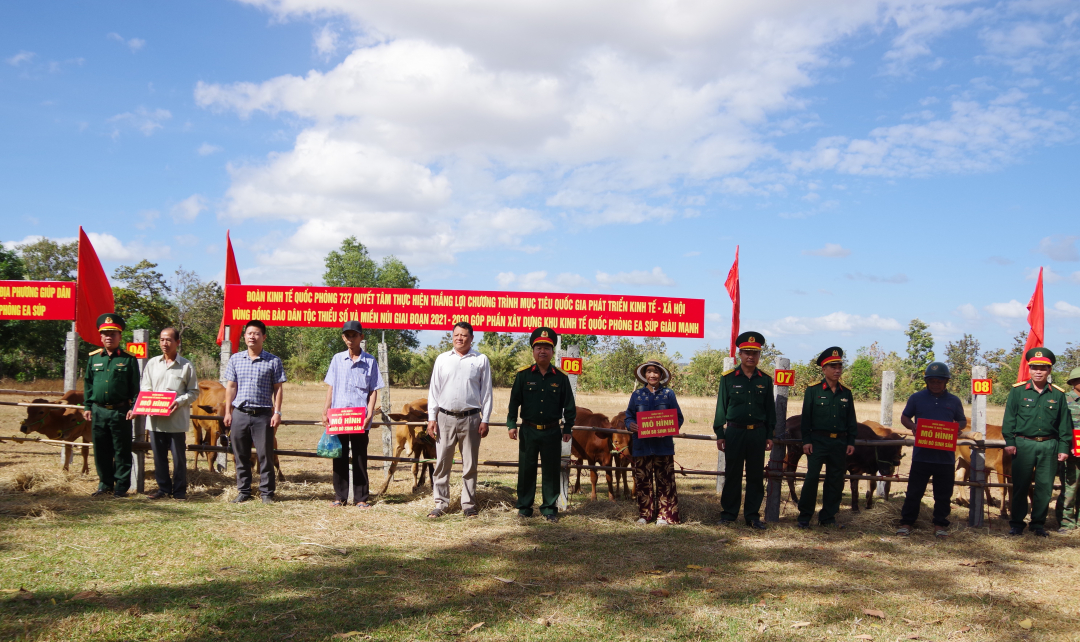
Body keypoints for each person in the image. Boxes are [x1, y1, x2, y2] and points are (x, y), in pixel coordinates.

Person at [507, 327, 576, 522]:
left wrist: (568, 427)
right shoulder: (523, 375)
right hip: (528, 430)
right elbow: (514, 402)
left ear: (552, 351)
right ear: (533, 351)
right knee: (526, 470)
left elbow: (569, 405)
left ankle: (549, 508)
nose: (542, 351)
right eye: (538, 347)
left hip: (552, 431)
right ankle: (524, 507)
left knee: (551, 471)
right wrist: (511, 423)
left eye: (547, 347)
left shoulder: (561, 378)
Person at [426, 321, 493, 519]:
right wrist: (432, 417)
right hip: (445, 418)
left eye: (464, 335)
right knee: (442, 463)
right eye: (456, 334)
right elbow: (434, 390)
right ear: (452, 336)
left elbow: (486, 392)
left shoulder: (481, 360)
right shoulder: (442, 359)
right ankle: (440, 503)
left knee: (470, 464)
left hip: (471, 418)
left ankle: (468, 505)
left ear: (471, 338)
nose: (459, 338)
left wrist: (486, 418)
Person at [1002, 348, 1072, 537]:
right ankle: (1017, 523)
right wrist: (1010, 441)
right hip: (1024, 444)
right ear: (1029, 369)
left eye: (1043, 368)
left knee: (1044, 487)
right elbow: (1009, 418)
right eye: (1034, 368)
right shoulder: (1017, 391)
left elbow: (1065, 423)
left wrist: (1064, 446)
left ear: (1049, 371)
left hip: (1049, 445)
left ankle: (1038, 524)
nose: (1038, 371)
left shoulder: (1057, 394)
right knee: (1020, 485)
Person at [895, 362, 967, 537]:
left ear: (946, 382)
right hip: (922, 455)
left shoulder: (954, 400)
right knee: (914, 491)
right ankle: (906, 523)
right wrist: (913, 426)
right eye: (932, 381)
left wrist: (957, 428)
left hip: (946, 457)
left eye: (939, 381)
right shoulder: (916, 398)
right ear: (927, 381)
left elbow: (962, 420)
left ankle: (940, 525)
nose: (936, 384)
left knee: (943, 494)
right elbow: (904, 417)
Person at [713, 331, 775, 530]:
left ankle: (752, 516)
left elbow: (770, 410)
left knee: (756, 476)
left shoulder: (765, 380)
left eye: (755, 353)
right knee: (732, 475)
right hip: (734, 432)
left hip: (757, 432)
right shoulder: (729, 378)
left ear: (759, 356)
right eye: (747, 352)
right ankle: (729, 514)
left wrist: (769, 435)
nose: (751, 356)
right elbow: (721, 407)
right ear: (740, 354)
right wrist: (720, 434)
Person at [223, 320, 286, 504]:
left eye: (256, 333)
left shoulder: (273, 360)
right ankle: (243, 491)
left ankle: (267, 493)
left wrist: (278, 412)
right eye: (249, 333)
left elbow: (278, 389)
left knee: (265, 454)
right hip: (240, 413)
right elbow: (231, 387)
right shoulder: (235, 359)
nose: (252, 336)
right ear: (244, 337)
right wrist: (228, 412)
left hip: (263, 414)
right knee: (240, 454)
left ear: (263, 337)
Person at [322, 320, 384, 509]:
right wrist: (325, 410)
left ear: (361, 337)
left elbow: (373, 390)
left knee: (359, 457)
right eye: (347, 335)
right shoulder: (337, 359)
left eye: (354, 335)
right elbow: (331, 387)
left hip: (359, 417)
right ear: (343, 337)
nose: (350, 339)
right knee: (339, 456)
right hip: (339, 416)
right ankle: (339, 497)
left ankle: (361, 498)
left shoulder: (370, 361)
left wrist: (369, 414)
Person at [796, 347, 857, 529]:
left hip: (839, 442)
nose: (837, 370)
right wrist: (806, 440)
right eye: (833, 366)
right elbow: (806, 418)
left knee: (835, 480)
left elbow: (851, 419)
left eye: (839, 366)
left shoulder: (846, 392)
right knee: (812, 478)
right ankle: (805, 517)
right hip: (817, 441)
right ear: (824, 369)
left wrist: (851, 441)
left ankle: (828, 517)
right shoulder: (813, 390)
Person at [82, 314, 141, 498]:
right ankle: (104, 485)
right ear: (101, 337)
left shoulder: (129, 359)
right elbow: (88, 384)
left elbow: (136, 388)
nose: (109, 337)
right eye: (105, 334)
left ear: (120, 336)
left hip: (120, 411)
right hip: (99, 411)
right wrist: (87, 407)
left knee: (122, 449)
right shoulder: (93, 358)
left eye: (113, 334)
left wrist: (134, 407)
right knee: (101, 450)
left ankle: (121, 487)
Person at [142, 327, 199, 500]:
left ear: (177, 343)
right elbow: (145, 387)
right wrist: (151, 401)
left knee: (178, 458)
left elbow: (193, 392)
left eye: (168, 340)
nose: (164, 343)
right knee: (159, 458)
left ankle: (180, 491)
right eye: (161, 340)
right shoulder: (152, 364)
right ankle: (163, 489)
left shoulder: (186, 365)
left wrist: (179, 400)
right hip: (155, 420)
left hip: (176, 421)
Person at [625, 360, 684, 525]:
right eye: (649, 372)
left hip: (662, 446)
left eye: (656, 372)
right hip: (641, 446)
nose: (652, 375)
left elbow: (678, 417)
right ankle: (645, 515)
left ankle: (665, 516)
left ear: (661, 375)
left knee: (665, 481)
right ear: (644, 375)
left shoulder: (668, 394)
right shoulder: (637, 395)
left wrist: (668, 429)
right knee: (643, 481)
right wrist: (630, 424)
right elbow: (628, 415)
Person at [1054, 367, 1080, 533]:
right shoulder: (1065, 400)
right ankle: (1066, 523)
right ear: (1073, 382)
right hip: (1071, 454)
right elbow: (1058, 426)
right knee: (1070, 488)